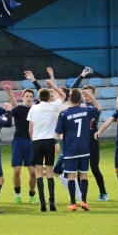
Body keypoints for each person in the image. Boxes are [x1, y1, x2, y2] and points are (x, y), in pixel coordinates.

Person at [56, 88, 102, 211]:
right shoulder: (86, 110)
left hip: (70, 149)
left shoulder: (64, 114)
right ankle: (84, 201)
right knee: (83, 175)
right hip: (84, 148)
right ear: (81, 99)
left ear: (69, 99)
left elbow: (58, 131)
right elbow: (99, 108)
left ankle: (73, 203)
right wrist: (91, 97)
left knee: (71, 176)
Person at [27, 81, 66, 212]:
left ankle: (42, 202)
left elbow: (30, 129)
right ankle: (52, 202)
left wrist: (33, 140)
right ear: (49, 98)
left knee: (39, 173)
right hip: (50, 141)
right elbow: (63, 96)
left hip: (37, 141)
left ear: (38, 98)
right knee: (49, 173)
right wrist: (53, 87)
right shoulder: (53, 106)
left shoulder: (33, 108)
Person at [71, 68, 108, 201]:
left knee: (94, 167)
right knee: (76, 168)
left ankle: (103, 193)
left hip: (92, 139)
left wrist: (90, 96)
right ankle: (78, 195)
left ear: (93, 94)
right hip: (80, 140)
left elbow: (98, 109)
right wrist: (82, 75)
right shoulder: (78, 105)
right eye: (84, 92)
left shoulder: (94, 107)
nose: (85, 94)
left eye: (88, 92)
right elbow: (73, 89)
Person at [11, 88, 37, 204]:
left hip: (31, 142)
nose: (29, 98)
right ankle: (18, 195)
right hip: (18, 141)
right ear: (23, 98)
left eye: (31, 96)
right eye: (27, 96)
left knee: (32, 171)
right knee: (17, 171)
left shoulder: (36, 110)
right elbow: (7, 115)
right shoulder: (18, 109)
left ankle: (32, 195)